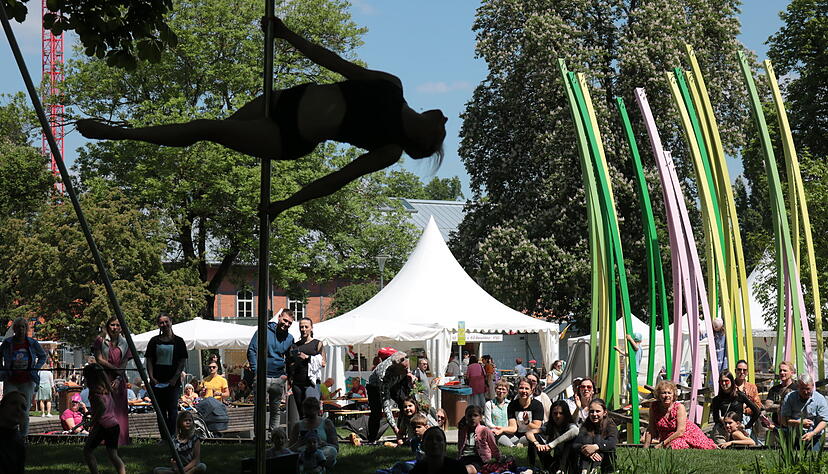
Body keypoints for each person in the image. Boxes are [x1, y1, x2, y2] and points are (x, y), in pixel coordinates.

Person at [77, 16, 448, 224]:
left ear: (427, 140)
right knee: (213, 129)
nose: (445, 115)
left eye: (444, 128)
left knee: (208, 128)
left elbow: (335, 180)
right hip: (281, 100)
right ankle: (153, 155)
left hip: (287, 137)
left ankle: (115, 134)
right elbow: (333, 61)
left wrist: (284, 205)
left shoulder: (389, 150)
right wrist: (286, 35)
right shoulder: (391, 87)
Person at [247, 308, 294, 435]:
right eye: (285, 320)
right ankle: (259, 437)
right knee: (260, 409)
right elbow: (251, 350)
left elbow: (290, 359)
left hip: (279, 378)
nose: (286, 324)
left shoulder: (290, 338)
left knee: (275, 409)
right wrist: (257, 371)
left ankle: (275, 438)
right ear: (279, 317)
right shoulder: (263, 331)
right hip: (263, 376)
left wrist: (287, 376)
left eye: (290, 323)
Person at [0, 317, 47, 436]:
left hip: (27, 380)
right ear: (14, 329)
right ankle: (10, 436)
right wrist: (3, 369)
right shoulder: (8, 342)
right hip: (10, 379)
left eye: (23, 327)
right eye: (18, 327)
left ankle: (23, 438)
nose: (21, 329)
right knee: (9, 408)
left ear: (26, 329)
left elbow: (42, 356)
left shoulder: (32, 343)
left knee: (24, 411)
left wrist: (35, 368)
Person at [146, 314, 188, 439]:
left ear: (171, 322)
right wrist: (151, 377)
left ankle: (173, 436)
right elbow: (149, 360)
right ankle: (164, 438)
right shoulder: (154, 341)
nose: (164, 325)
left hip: (173, 383)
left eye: (166, 322)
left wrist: (175, 378)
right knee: (160, 412)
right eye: (161, 323)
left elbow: (182, 362)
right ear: (158, 325)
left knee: (173, 411)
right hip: (157, 381)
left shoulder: (179, 341)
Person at [94, 316, 133, 445]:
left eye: (117, 325)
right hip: (103, 378)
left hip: (118, 379)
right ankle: (103, 439)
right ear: (107, 325)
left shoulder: (125, 342)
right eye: (112, 325)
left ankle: (120, 439)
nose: (115, 328)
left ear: (121, 327)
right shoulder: (100, 340)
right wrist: (115, 369)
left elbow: (124, 362)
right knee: (104, 408)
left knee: (119, 410)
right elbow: (99, 359)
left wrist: (118, 377)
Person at [643, 380, 716, 449]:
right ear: (658, 395)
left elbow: (680, 431)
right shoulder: (654, 406)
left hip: (687, 435)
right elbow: (651, 429)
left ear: (673, 395)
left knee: (674, 445)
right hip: (667, 439)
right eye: (663, 393)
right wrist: (646, 447)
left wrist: (662, 444)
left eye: (669, 393)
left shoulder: (679, 407)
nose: (667, 396)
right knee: (669, 446)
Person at [82, 363, 126, 474]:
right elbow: (106, 407)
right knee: (113, 455)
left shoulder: (95, 393)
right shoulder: (107, 390)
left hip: (102, 425)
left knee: (88, 451)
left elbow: (101, 407)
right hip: (114, 425)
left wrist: (92, 422)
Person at [367, 349, 412, 442]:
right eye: (404, 369)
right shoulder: (383, 376)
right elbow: (386, 406)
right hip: (374, 387)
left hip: (395, 382)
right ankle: (372, 439)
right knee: (376, 412)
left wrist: (410, 376)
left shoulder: (403, 358)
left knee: (405, 403)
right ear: (396, 368)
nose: (407, 370)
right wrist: (395, 428)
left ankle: (404, 432)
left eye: (407, 367)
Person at [710, 369, 760, 445]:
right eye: (721, 381)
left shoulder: (740, 396)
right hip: (723, 428)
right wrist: (722, 420)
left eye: (726, 381)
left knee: (745, 442)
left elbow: (756, 411)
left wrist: (746, 426)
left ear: (731, 382)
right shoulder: (717, 399)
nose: (723, 383)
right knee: (722, 447)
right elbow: (715, 418)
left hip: (737, 428)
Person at [780, 373, 828, 451]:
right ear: (798, 387)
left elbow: (824, 421)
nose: (806, 392)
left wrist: (812, 433)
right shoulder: (789, 398)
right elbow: (784, 421)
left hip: (814, 437)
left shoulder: (820, 399)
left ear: (813, 386)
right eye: (802, 389)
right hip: (793, 436)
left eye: (808, 389)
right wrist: (799, 422)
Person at [287, 317, 325, 416]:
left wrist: (308, 358)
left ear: (311, 328)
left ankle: (314, 431)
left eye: (306, 327)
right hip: (297, 383)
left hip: (311, 383)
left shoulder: (317, 343)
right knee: (301, 414)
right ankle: (303, 432)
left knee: (311, 412)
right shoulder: (295, 345)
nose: (303, 329)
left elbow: (323, 362)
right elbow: (290, 364)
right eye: (301, 327)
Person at [528, 400, 579, 472]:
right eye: (555, 413)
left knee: (570, 440)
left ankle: (562, 470)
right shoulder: (549, 425)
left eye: (561, 413)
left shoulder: (569, 425)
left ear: (566, 414)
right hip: (555, 461)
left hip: (568, 461)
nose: (557, 416)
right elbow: (529, 433)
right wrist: (537, 444)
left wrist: (552, 444)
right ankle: (531, 467)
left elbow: (575, 431)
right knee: (534, 438)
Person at [288, 397, 338, 470]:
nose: (310, 413)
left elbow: (336, 447)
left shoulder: (327, 423)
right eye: (307, 411)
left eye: (312, 411)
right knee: (299, 455)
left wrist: (324, 444)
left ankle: (308, 466)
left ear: (317, 410)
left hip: (321, 451)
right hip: (304, 451)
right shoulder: (298, 425)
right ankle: (317, 466)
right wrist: (299, 443)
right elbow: (290, 450)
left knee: (331, 451)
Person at [491, 378, 543, 446]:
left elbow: (537, 427)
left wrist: (527, 422)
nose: (524, 391)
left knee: (533, 435)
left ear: (531, 391)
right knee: (497, 433)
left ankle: (517, 444)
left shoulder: (537, 405)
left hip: (530, 435)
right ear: (517, 390)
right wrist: (502, 429)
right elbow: (513, 428)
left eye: (526, 388)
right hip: (516, 437)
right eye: (521, 388)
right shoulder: (512, 405)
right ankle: (513, 446)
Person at [572, 398, 617, 474]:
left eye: (598, 411)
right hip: (587, 459)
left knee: (598, 438)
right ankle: (584, 470)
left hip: (606, 461)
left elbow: (612, 442)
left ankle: (595, 469)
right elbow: (575, 444)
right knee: (587, 439)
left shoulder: (610, 424)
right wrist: (588, 451)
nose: (594, 414)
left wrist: (596, 447)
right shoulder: (586, 425)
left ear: (605, 412)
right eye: (591, 411)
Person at [457, 405, 500, 474]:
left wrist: (498, 459)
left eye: (475, 415)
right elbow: (460, 447)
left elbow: (493, 446)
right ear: (466, 417)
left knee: (467, 470)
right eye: (469, 416)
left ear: (480, 417)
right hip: (464, 458)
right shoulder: (463, 431)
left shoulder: (485, 430)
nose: (472, 418)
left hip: (480, 460)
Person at [764, 361, 798, 435]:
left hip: (793, 426)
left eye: (785, 370)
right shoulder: (774, 389)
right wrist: (785, 407)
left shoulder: (797, 388)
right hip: (776, 427)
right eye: (780, 370)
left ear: (792, 373)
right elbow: (767, 406)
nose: (782, 373)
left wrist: (776, 407)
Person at [0, 391, 28, 474]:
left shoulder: (19, 442)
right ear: (2, 407)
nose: (18, 409)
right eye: (13, 403)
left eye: (23, 407)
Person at [733, 359, 762, 427]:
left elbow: (758, 405)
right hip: (733, 419)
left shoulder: (752, 387)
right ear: (735, 371)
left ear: (747, 372)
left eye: (744, 370)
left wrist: (745, 410)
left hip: (748, 419)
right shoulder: (730, 387)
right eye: (739, 370)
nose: (742, 372)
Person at [484, 380, 512, 446]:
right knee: (510, 445)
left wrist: (505, 429)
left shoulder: (510, 404)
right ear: (495, 390)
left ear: (507, 391)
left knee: (518, 441)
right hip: (495, 432)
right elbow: (488, 422)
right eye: (499, 389)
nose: (501, 391)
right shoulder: (489, 404)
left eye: (503, 389)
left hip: (507, 431)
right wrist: (498, 429)